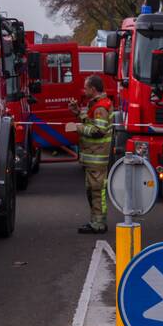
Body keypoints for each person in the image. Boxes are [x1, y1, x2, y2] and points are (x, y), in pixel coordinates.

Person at [66, 75, 113, 234]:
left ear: (93, 89)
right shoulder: (96, 105)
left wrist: (77, 127)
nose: (83, 90)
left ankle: (98, 224)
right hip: (94, 157)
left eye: (86, 88)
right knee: (93, 190)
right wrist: (78, 113)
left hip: (97, 157)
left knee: (97, 190)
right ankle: (96, 221)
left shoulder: (100, 108)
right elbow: (91, 124)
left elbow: (99, 131)